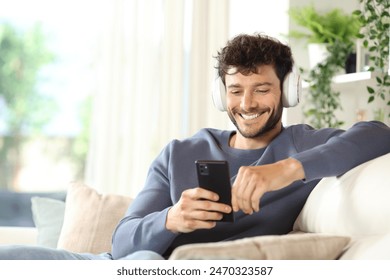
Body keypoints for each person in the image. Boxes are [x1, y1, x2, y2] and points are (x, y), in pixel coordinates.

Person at [1, 33, 390, 260]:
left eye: (262, 89)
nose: (248, 104)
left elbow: (378, 133)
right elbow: (121, 243)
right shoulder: (180, 151)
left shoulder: (302, 145)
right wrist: (171, 219)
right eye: (236, 91)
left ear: (288, 90)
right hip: (118, 266)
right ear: (221, 96)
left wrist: (285, 170)